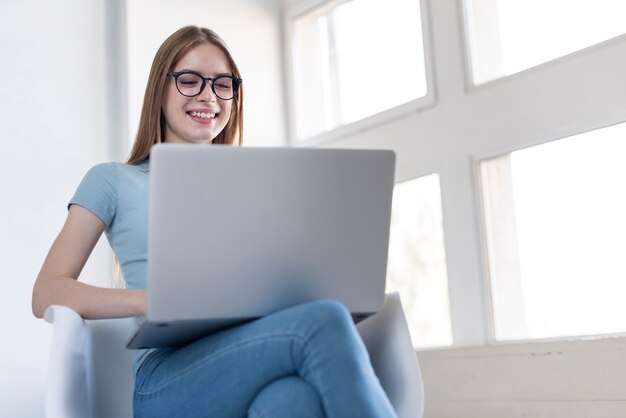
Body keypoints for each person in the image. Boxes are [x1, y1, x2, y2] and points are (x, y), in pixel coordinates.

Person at [32, 25, 397, 418]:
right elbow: (47, 292)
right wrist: (149, 301)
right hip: (166, 381)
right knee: (324, 320)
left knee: (291, 401)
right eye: (190, 81)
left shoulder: (261, 185)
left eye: (223, 85)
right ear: (160, 88)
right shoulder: (113, 180)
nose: (208, 95)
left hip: (250, 354)